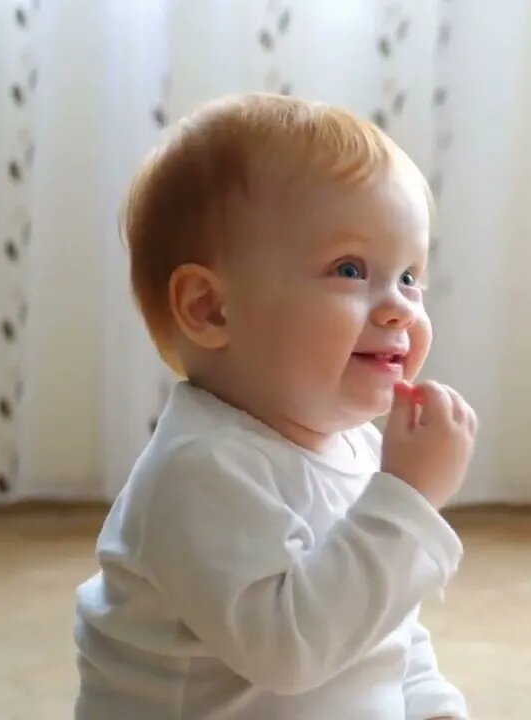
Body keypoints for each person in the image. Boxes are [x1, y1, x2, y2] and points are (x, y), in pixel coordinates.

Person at [72, 93, 474, 720]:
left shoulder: (362, 452)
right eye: (350, 268)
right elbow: (290, 652)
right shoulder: (198, 472)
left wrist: (434, 708)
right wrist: (406, 499)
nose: (400, 307)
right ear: (212, 309)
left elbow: (384, 629)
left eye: (410, 277)